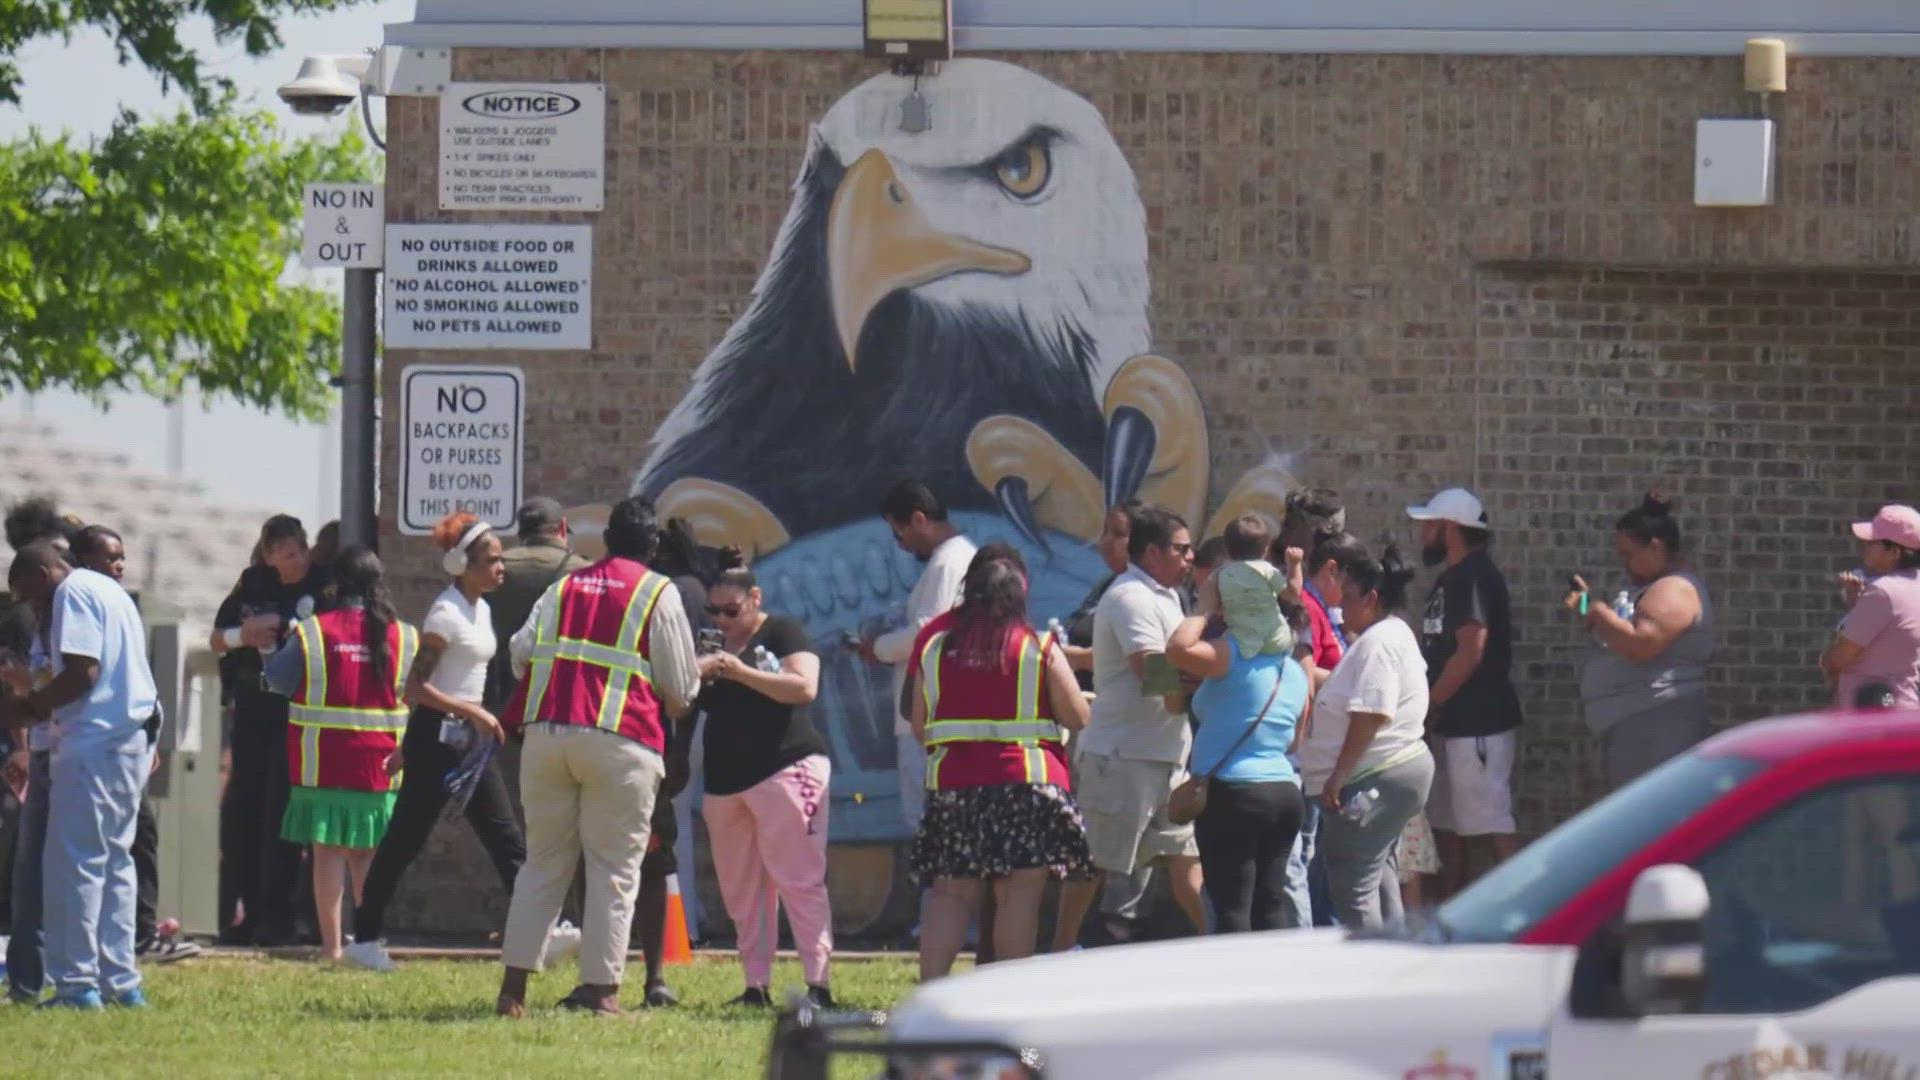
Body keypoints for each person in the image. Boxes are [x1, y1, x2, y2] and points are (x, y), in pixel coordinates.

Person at [494, 495, 699, 1019]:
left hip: (545, 734)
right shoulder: (657, 591)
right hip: (620, 740)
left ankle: (513, 994)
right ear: (652, 546)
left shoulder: (564, 585)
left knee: (541, 865)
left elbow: (520, 654)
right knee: (613, 869)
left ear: (605, 542)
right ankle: (602, 993)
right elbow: (678, 689)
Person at [344, 512, 542, 972]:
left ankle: (540, 929)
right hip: (439, 741)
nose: (501, 567)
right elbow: (413, 689)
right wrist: (470, 712)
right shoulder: (444, 613)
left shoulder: (483, 609)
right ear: (462, 564)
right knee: (403, 843)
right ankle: (365, 938)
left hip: (466, 743)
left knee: (505, 837)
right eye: (491, 560)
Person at [910, 547, 1093, 978]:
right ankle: (1008, 1000)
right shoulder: (1038, 647)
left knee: (949, 894)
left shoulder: (935, 649)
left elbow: (920, 724)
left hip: (953, 786)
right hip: (1025, 785)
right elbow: (1076, 717)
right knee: (1018, 896)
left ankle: (931, 992)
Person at [4, 541, 159, 1008]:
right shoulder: (111, 593)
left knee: (73, 866)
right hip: (127, 739)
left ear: (47, 572)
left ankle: (75, 985)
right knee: (115, 865)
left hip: (92, 742)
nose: (32, 605)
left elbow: (82, 673)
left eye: (30, 593)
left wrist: (29, 708)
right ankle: (121, 982)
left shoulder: (71, 592)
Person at [1056, 506, 1206, 948]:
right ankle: (1058, 951)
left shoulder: (1169, 597)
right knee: (1095, 866)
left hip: (1168, 758)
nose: (1190, 557)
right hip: (1122, 760)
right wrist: (1208, 677)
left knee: (1188, 864)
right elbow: (1151, 670)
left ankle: (1223, 945)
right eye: (1181, 549)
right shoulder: (1128, 597)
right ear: (1152, 552)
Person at [261, 547, 415, 964]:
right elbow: (417, 691)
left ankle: (332, 949)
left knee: (326, 851)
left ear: (335, 584)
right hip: (380, 763)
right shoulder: (404, 635)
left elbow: (275, 679)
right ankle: (368, 945)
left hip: (321, 761)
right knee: (365, 855)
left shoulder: (313, 631)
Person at [696, 567, 834, 1006]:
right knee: (742, 891)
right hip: (725, 781)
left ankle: (819, 984)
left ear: (755, 598)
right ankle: (755, 985)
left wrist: (738, 671)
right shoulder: (712, 646)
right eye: (713, 611)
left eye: (731, 610)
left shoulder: (782, 631)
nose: (721, 620)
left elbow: (804, 687)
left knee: (800, 880)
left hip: (785, 769)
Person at [70, 526, 197, 964]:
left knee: (137, 839)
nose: (119, 565)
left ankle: (136, 937)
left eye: (122, 557)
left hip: (130, 741)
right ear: (84, 560)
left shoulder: (118, 604)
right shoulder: (81, 601)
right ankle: (108, 945)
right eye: (110, 558)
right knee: (102, 848)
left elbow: (136, 676)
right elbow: (82, 673)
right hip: (99, 745)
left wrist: (150, 729)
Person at [1166, 566, 1311, 934]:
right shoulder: (1292, 670)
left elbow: (1175, 654)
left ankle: (1238, 987)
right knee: (1270, 901)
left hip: (1233, 792)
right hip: (1284, 791)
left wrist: (1202, 607)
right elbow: (1296, 739)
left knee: (1232, 905)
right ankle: (1275, 985)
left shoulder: (1226, 655)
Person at [210, 514, 332, 946]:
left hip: (297, 714)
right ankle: (251, 913)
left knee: (282, 812)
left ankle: (281, 914)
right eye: (285, 554)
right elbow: (216, 639)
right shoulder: (253, 583)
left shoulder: (322, 585)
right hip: (253, 711)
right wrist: (245, 635)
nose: (294, 560)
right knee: (246, 811)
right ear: (268, 556)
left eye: (299, 550)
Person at [1299, 545, 1435, 930]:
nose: (1341, 608)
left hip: (1371, 776)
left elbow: (1372, 712)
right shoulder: (1390, 636)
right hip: (1388, 772)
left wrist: (1338, 777)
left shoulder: (1380, 643)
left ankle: (1371, 967)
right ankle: (1392, 955)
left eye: (1349, 597)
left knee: (1353, 882)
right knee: (1379, 873)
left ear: (1372, 598)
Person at [1409, 488, 1522, 897]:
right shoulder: (1453, 577)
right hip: (1450, 723)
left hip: (1478, 724)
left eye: (1429, 525)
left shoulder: (1474, 577)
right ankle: (1449, 908)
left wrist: (1431, 703)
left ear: (1450, 528)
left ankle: (1524, 910)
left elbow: (1470, 651)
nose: (1422, 534)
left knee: (1491, 821)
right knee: (1448, 823)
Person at [1569, 493, 1715, 790]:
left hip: (1658, 725)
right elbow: (1620, 638)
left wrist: (1598, 611)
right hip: (1637, 724)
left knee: (1655, 824)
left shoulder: (1676, 588)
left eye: (1629, 555)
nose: (1625, 564)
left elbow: (1641, 644)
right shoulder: (1651, 588)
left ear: (1656, 547)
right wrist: (1590, 609)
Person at [861, 480, 977, 841]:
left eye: (900, 534)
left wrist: (877, 648)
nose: (902, 545)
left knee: (930, 823)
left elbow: (930, 631)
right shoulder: (951, 561)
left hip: (930, 715)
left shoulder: (950, 562)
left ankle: (943, 896)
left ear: (919, 520)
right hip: (926, 712)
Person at [484, 498, 588, 714]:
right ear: (561, 528)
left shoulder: (494, 567)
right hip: (562, 700)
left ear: (521, 531)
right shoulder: (585, 571)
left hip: (502, 698)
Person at [1823, 504, 1920, 709]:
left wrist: (1824, 660)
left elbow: (1839, 658)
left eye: (1872, 541)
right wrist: (1858, 604)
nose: (1864, 545)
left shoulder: (1882, 592)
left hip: (1872, 714)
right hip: (1903, 707)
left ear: (1894, 551)